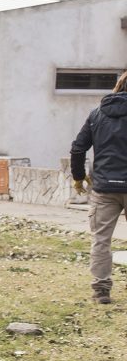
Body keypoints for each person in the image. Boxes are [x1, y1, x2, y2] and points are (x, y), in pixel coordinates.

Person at [70, 70, 127, 304]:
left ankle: (101, 291)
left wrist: (79, 177)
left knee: (101, 239)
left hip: (104, 188)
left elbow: (77, 148)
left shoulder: (97, 115)